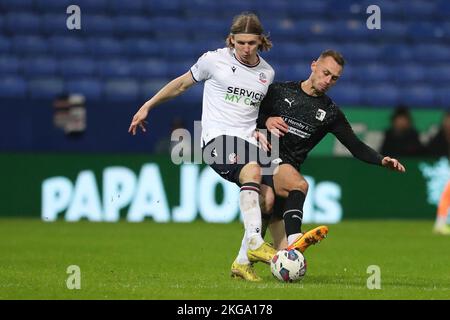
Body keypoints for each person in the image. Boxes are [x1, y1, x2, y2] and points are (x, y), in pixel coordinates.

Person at [129, 13, 283, 282]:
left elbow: (255, 109)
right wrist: (147, 106)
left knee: (269, 199)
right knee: (253, 172)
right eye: (241, 43)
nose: (246, 49)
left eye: (252, 43)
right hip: (214, 139)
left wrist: (262, 127)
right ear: (232, 40)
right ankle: (256, 242)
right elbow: (180, 85)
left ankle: (242, 262)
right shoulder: (213, 60)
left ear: (261, 41)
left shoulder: (266, 73)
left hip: (248, 141)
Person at [256, 50, 406, 247]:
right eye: (325, 73)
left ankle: (246, 261)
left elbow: (355, 146)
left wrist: (381, 159)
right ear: (314, 66)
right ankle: (296, 238)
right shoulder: (279, 91)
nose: (328, 80)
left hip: (289, 167)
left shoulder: (330, 113)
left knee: (282, 253)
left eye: (334, 78)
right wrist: (266, 120)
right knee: (299, 185)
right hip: (267, 157)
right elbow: (250, 115)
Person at [427, 111, 450, 235]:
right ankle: (440, 224)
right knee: (447, 193)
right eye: (447, 120)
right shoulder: (440, 137)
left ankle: (440, 224)